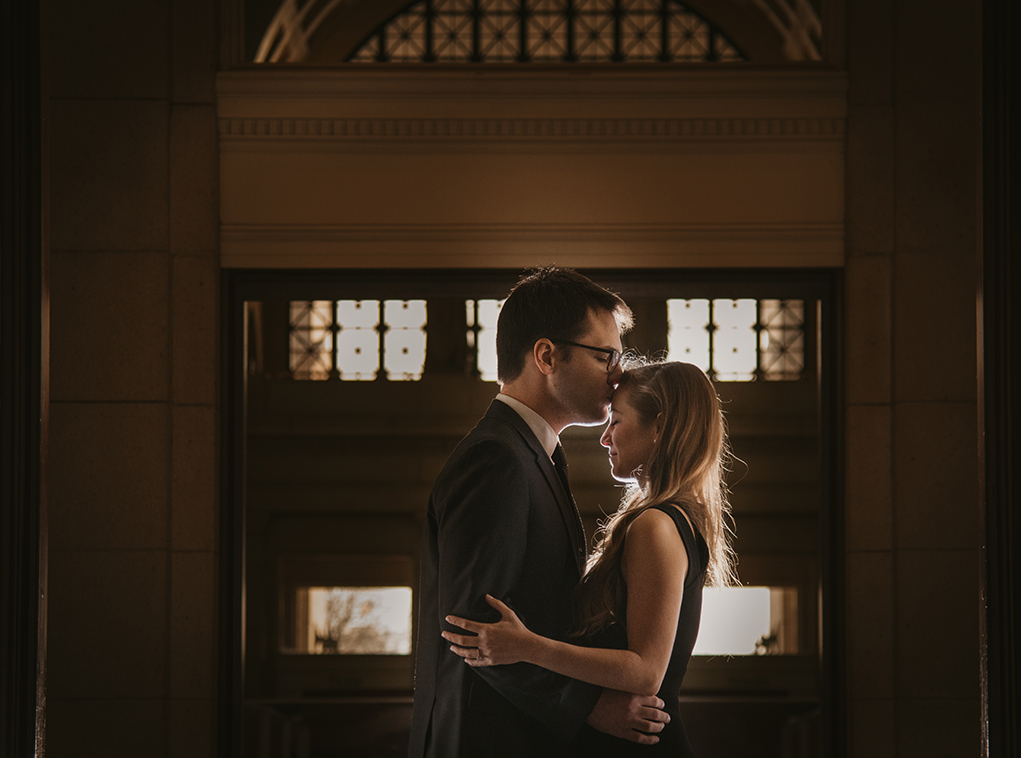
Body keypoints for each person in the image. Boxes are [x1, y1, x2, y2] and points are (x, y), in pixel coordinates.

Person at [407, 268, 670, 758]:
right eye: (606, 356)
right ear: (547, 355)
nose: (619, 373)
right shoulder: (498, 457)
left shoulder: (534, 453)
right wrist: (587, 707)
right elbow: (473, 627)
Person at [442, 361, 738, 756]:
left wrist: (528, 646)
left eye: (616, 420)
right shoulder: (675, 519)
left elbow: (646, 672)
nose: (605, 437)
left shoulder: (656, 525)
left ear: (660, 427)